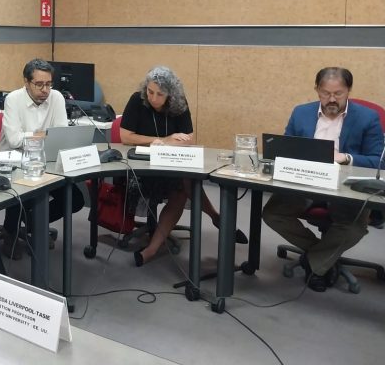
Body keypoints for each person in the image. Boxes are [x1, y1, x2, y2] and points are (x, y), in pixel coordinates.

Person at [262, 67, 384, 292]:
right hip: (305, 182)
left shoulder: (367, 118)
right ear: (317, 90)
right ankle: (323, 257)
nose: (332, 99)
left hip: (345, 188)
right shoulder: (301, 112)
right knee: (272, 213)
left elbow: (379, 161)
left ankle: (314, 265)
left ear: (348, 90)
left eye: (338, 93)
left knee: (354, 227)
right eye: (326, 93)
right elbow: (285, 149)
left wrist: (346, 158)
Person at [120, 66, 246, 266]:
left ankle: (151, 250)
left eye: (160, 94)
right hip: (140, 169)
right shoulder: (138, 100)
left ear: (170, 94)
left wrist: (168, 143)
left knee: (183, 185)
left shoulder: (178, 103)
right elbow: (126, 137)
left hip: (170, 166)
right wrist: (163, 140)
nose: (153, 98)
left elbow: (188, 139)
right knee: (185, 183)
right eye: (150, 91)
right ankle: (215, 216)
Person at [0, 59, 85, 259]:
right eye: (39, 84)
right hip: (13, 162)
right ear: (26, 82)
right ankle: (11, 232)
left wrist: (36, 136)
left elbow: (61, 134)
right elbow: (14, 140)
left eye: (48, 84)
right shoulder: (13, 99)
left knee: (76, 200)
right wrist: (45, 135)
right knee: (21, 195)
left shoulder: (56, 97)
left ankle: (32, 223)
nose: (45, 90)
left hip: (45, 161)